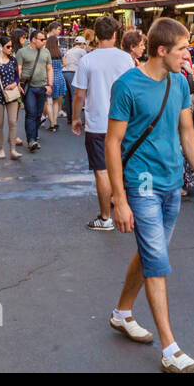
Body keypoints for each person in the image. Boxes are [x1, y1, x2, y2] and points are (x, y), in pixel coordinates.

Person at [106, 17, 194, 373]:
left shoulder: (179, 82)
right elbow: (113, 142)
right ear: (162, 50)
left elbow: (187, 132)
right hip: (142, 184)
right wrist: (119, 199)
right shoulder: (127, 86)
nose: (188, 55)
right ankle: (171, 350)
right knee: (156, 260)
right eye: (183, 49)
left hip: (171, 184)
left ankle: (122, 313)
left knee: (152, 252)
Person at [72, 16, 136, 231]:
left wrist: (75, 118)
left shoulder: (87, 60)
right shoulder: (126, 59)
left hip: (98, 122)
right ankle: (127, 208)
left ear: (96, 36)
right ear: (116, 34)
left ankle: (106, 217)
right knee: (124, 166)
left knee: (101, 170)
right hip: (124, 121)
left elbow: (79, 94)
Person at [0, 35, 24, 160]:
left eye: (11, 46)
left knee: (13, 122)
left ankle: (13, 150)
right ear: (1, 48)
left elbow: (17, 77)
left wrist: (15, 83)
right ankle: (1, 149)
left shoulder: (13, 60)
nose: (10, 49)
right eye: (8, 47)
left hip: (12, 93)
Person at [16, 29, 53, 152]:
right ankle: (31, 139)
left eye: (45, 39)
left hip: (42, 87)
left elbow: (49, 69)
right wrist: (18, 84)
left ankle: (34, 135)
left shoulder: (46, 52)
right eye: (42, 39)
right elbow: (19, 69)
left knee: (38, 114)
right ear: (33, 39)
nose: (44, 42)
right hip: (29, 87)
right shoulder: (22, 52)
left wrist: (50, 85)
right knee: (31, 114)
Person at [44, 35, 67, 131]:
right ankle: (55, 122)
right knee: (56, 101)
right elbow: (65, 64)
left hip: (49, 78)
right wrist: (58, 67)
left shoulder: (45, 52)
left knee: (49, 101)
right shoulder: (60, 52)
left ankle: (52, 124)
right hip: (59, 77)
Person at [62, 36, 87, 120]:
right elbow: (86, 62)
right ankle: (75, 118)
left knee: (68, 96)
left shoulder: (69, 50)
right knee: (74, 96)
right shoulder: (82, 51)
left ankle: (69, 118)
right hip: (73, 73)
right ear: (82, 43)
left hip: (65, 72)